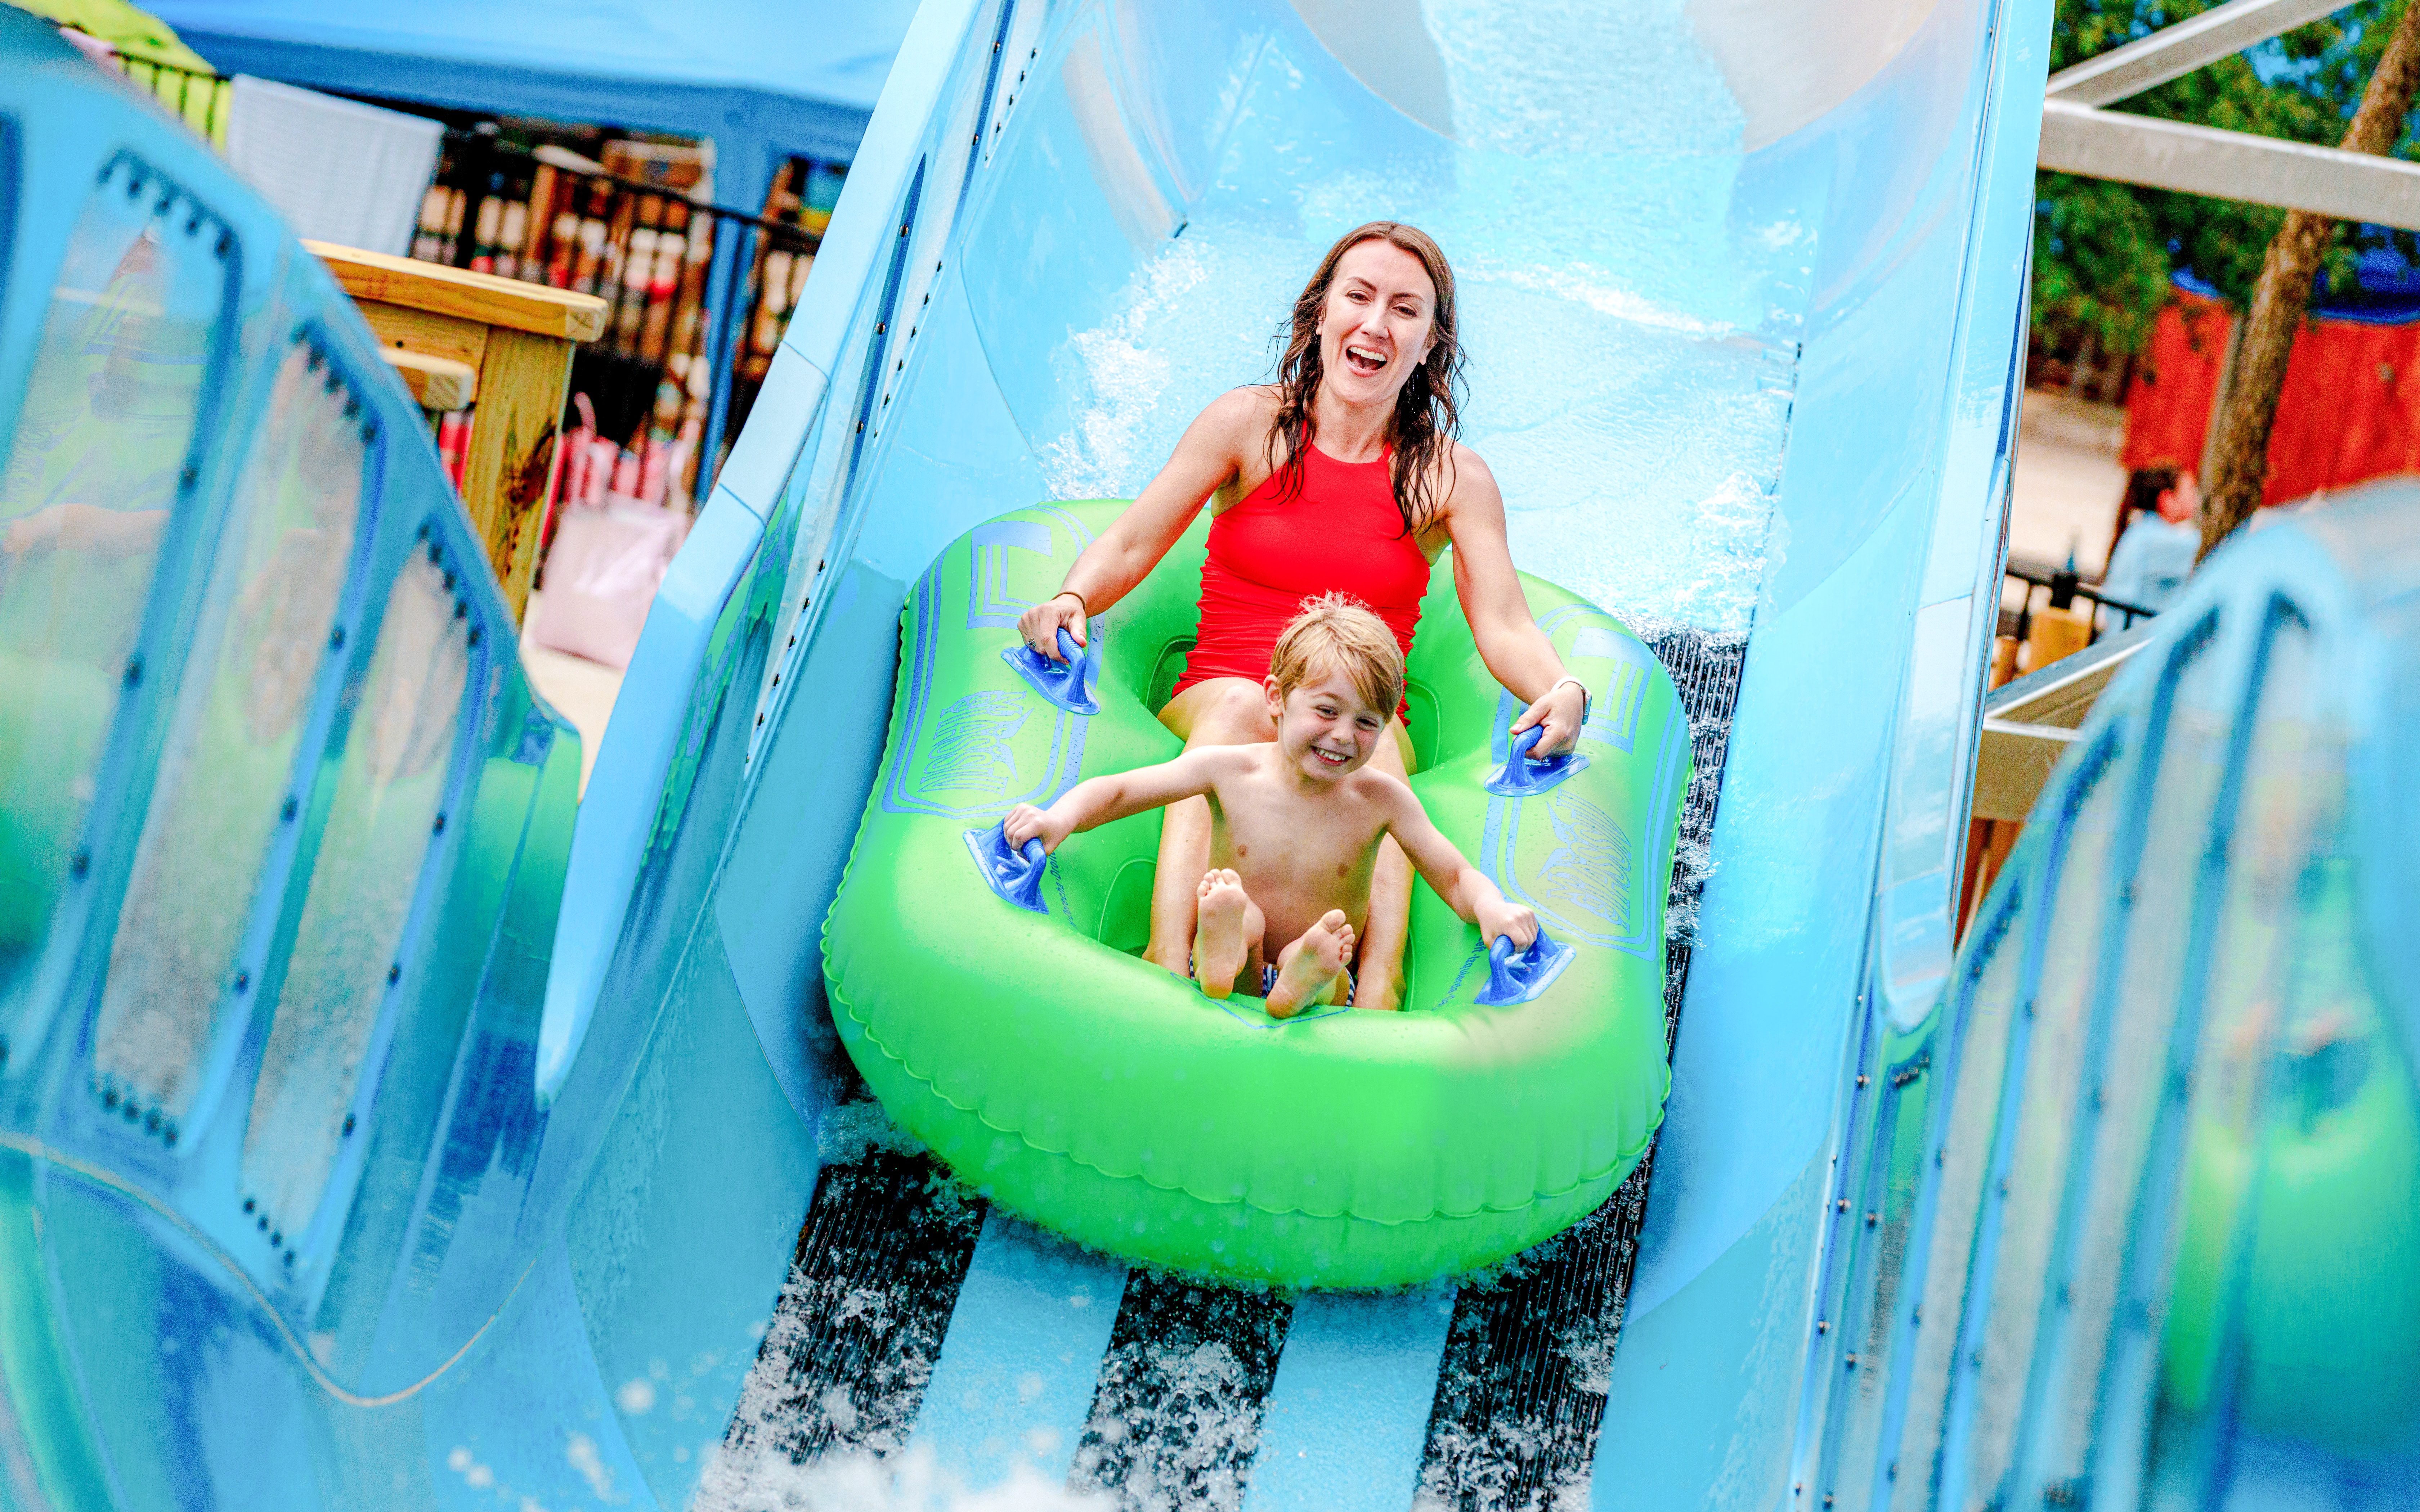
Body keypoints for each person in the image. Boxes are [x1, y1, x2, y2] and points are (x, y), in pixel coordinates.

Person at [1013, 221, 1586, 1012]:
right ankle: (1168, 952)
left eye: (1405, 310)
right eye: (1358, 296)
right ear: (1320, 313)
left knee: (1380, 745)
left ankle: (1371, 990)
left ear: (1430, 343)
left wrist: (1561, 688)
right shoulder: (1249, 424)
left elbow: (1504, 625)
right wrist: (1075, 597)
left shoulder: (1448, 476)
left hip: (1352, 709)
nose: (1376, 324)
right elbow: (1136, 539)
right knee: (1248, 702)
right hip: (1225, 685)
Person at [1002, 597, 1538, 1018]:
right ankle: (1229, 952)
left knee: (1326, 961)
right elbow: (1122, 790)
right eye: (1327, 711)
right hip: (1241, 958)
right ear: (1277, 698)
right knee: (1246, 924)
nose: (1344, 736)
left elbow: (1454, 875)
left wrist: (1491, 909)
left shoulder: (1383, 800)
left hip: (1323, 979)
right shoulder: (1229, 769)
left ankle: (1289, 977)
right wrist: (1058, 820)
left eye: (1368, 723)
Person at [2101, 463, 2200, 619]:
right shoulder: (2157, 540)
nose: (2197, 496)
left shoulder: (2142, 530)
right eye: (2191, 489)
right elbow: (2206, 547)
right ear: (2167, 500)